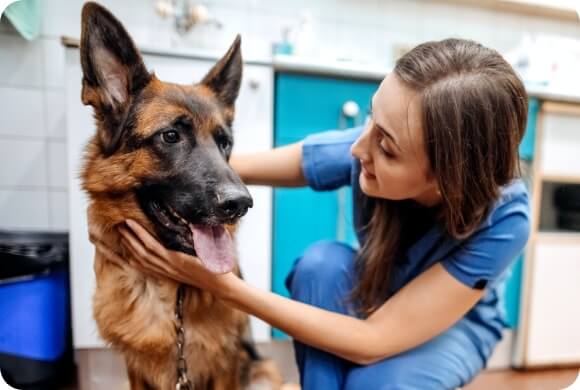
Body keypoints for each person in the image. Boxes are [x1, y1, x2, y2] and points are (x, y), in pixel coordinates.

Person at [92, 38, 530, 389]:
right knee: (321, 264)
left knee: (376, 382)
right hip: (376, 290)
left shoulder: (505, 219)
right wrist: (132, 184)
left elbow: (374, 342)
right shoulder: (367, 147)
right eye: (371, 122)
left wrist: (219, 285)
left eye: (388, 147)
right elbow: (223, 170)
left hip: (450, 327)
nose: (358, 149)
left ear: (446, 179)